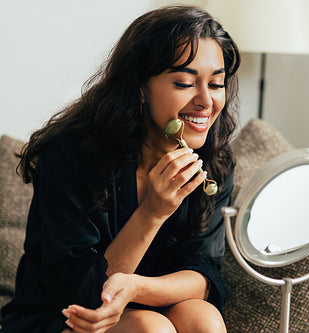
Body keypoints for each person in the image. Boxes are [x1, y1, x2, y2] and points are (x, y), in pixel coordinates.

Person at [0, 5, 240, 333]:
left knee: (203, 318)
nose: (205, 101)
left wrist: (137, 288)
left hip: (147, 304)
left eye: (216, 84)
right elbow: (82, 297)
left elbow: (204, 275)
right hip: (64, 317)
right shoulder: (72, 152)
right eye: (185, 83)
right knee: (151, 329)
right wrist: (152, 213)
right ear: (141, 88)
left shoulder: (214, 164)